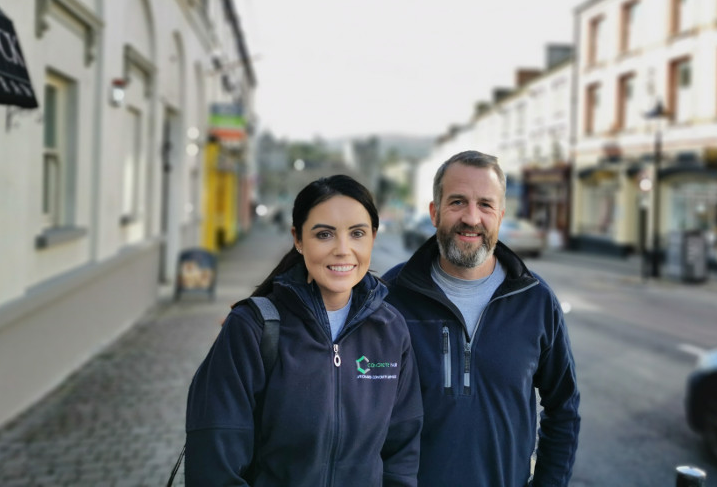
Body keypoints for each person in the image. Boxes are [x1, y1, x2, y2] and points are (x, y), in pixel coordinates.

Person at [185, 175, 423, 486]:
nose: (342, 249)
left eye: (357, 234)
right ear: (298, 239)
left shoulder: (391, 330)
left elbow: (401, 452)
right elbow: (215, 463)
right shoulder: (252, 328)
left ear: (373, 238)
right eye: (324, 234)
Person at [384, 151, 580, 487]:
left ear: (501, 216)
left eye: (485, 205)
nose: (472, 218)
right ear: (434, 212)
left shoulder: (535, 300)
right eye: (457, 202)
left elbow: (563, 408)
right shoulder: (390, 297)